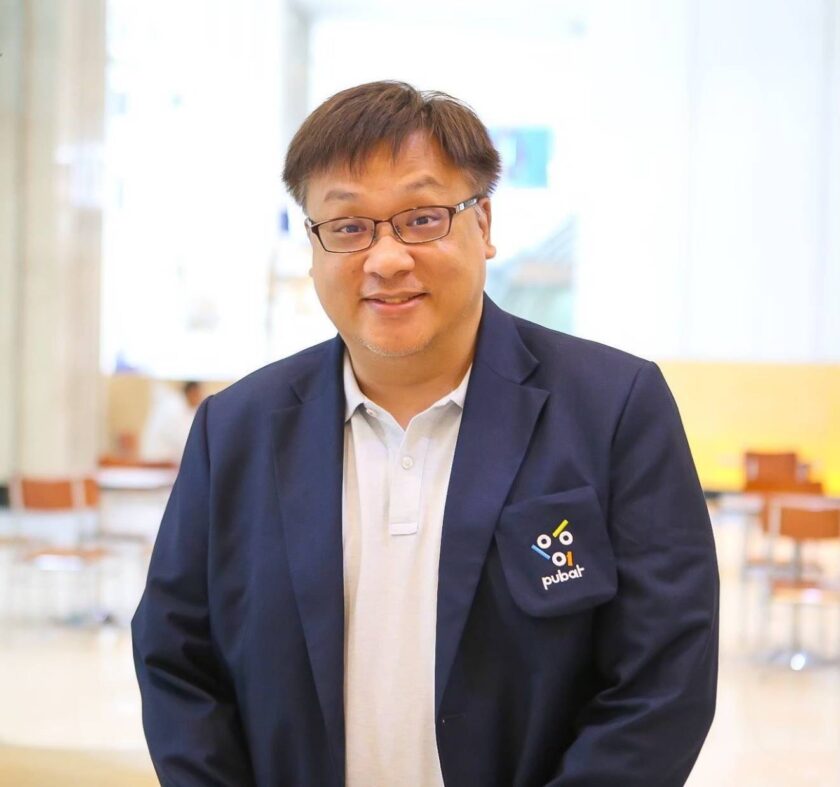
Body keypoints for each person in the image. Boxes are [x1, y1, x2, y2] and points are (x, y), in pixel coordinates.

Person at [132, 81, 718, 787]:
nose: (386, 259)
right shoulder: (236, 431)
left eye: (421, 218)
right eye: (348, 226)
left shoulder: (613, 409)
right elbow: (177, 661)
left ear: (483, 222)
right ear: (312, 245)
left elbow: (664, 678)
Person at [140, 380, 205, 464]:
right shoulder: (174, 408)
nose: (200, 399)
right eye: (199, 394)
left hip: (162, 459)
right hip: (158, 459)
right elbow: (183, 441)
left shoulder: (180, 406)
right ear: (192, 392)